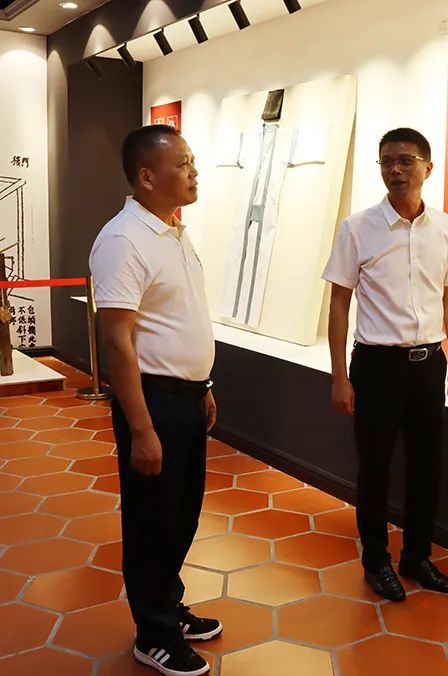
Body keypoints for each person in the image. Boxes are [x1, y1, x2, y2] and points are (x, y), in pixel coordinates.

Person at [90, 125, 221, 676]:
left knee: (181, 513)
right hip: (154, 402)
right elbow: (117, 342)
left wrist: (203, 387)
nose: (194, 171)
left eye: (192, 161)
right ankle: (154, 634)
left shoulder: (172, 231)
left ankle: (169, 606)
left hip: (185, 398)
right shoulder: (124, 240)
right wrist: (141, 428)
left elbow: (178, 319)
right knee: (152, 520)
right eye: (183, 163)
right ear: (147, 176)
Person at [323, 127, 448, 601]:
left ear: (428, 167)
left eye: (406, 161)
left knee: (426, 467)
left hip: (429, 365)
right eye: (387, 161)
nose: (395, 170)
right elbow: (339, 305)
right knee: (375, 469)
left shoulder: (445, 228)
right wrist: (339, 376)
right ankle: (376, 561)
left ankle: (416, 556)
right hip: (377, 366)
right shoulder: (358, 228)